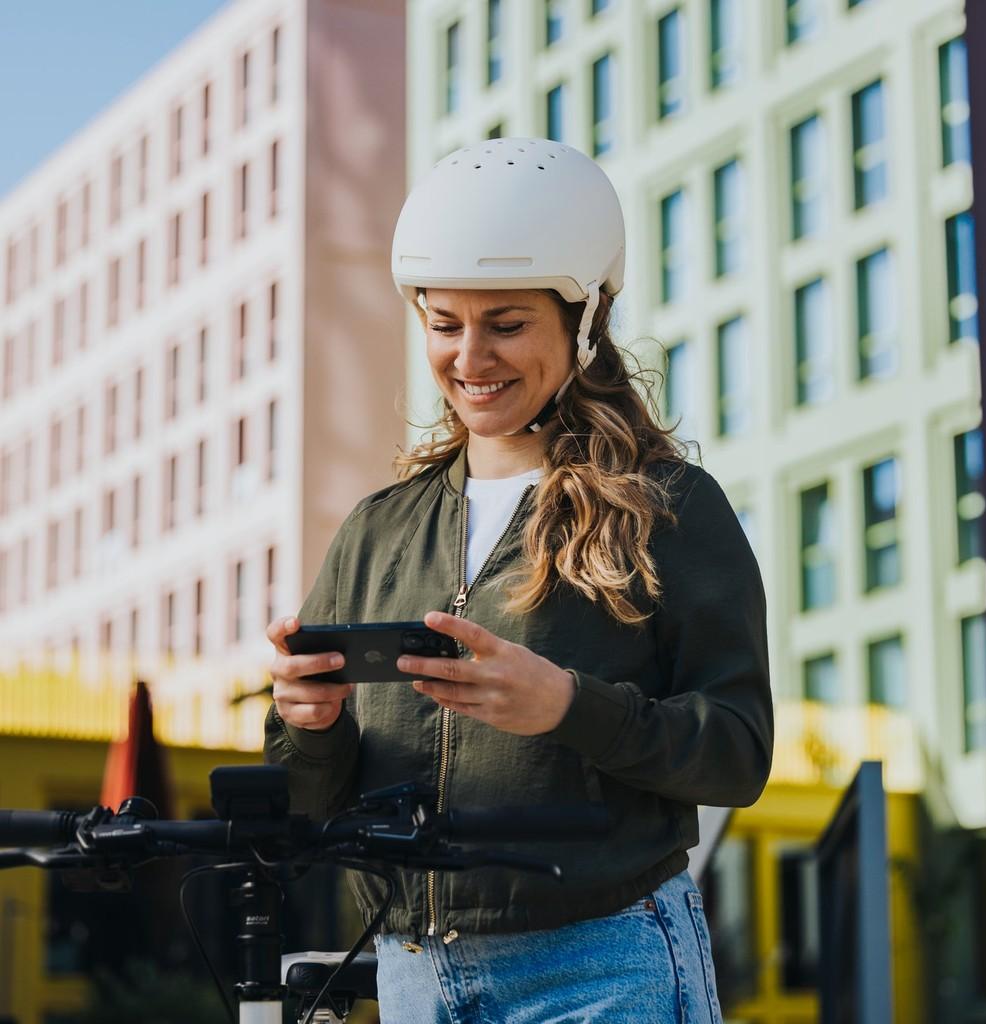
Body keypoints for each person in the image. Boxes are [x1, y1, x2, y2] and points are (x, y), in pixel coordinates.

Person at [264, 137, 773, 1024]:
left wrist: (568, 706)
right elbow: (304, 802)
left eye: (506, 324)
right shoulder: (377, 530)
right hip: (412, 977)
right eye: (443, 323)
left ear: (581, 321)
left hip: (603, 965)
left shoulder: (670, 507)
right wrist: (310, 726)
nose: (470, 359)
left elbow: (738, 751)